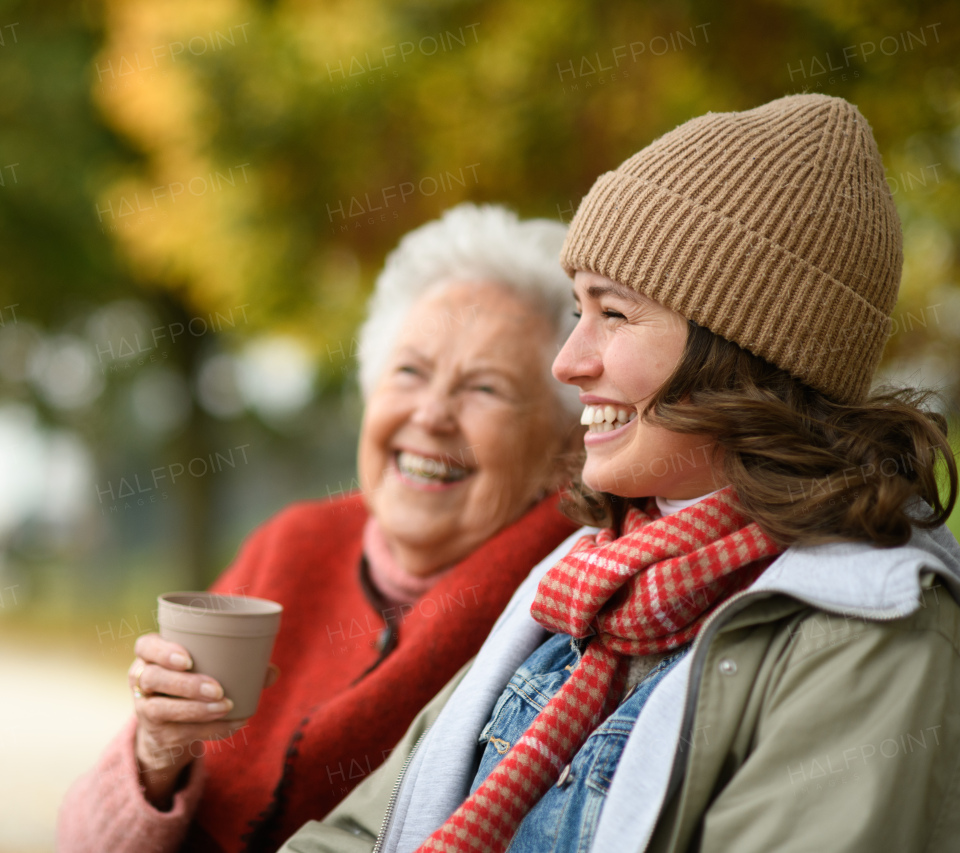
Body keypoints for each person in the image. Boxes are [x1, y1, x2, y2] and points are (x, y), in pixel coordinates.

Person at [283, 94, 960, 853]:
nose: (568, 362)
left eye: (615, 314)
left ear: (743, 354)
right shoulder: (586, 576)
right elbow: (358, 834)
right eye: (578, 310)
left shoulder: (868, 632)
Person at [57, 203, 585, 853]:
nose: (431, 413)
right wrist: (156, 751)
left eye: (486, 388)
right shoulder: (293, 546)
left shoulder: (566, 602)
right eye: (409, 372)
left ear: (565, 449)